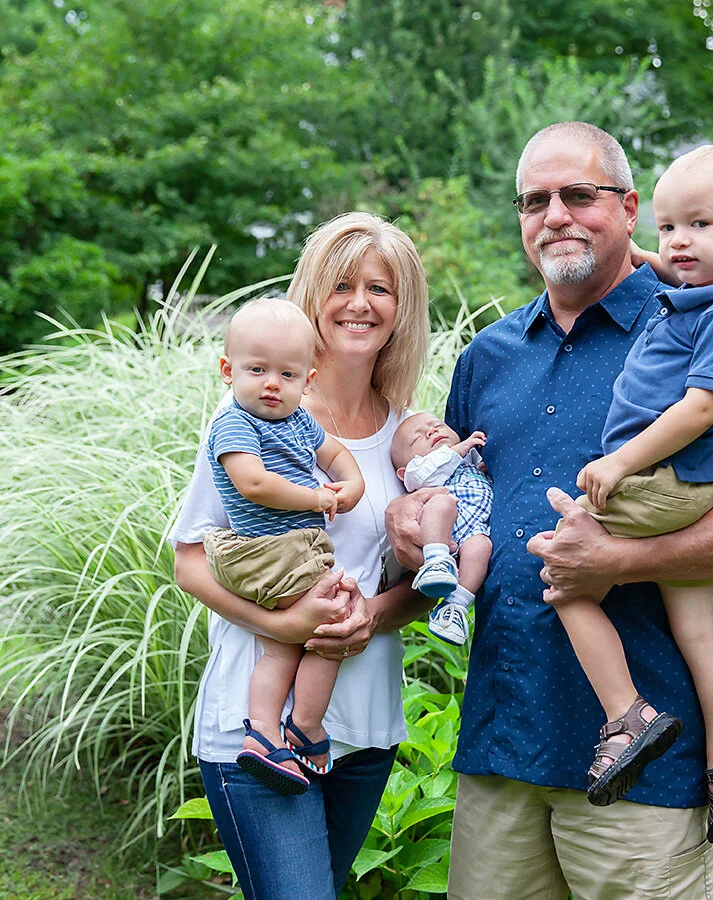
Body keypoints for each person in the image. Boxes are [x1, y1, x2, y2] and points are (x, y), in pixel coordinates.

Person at [386, 122, 713, 900]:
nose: (556, 214)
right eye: (534, 199)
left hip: (647, 771)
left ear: (628, 207)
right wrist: (409, 533)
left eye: (579, 194)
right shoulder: (488, 357)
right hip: (503, 746)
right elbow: (457, 504)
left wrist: (625, 562)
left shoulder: (693, 320)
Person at [170, 212, 433, 900]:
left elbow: (427, 580)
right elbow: (189, 562)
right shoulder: (254, 414)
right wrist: (285, 628)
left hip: (365, 725)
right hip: (254, 727)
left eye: (380, 288)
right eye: (342, 284)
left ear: (402, 309)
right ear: (311, 296)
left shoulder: (411, 435)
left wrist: (372, 616)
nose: (359, 303)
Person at [557, 145, 713, 842]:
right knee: (697, 624)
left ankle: (629, 715)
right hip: (687, 492)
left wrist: (619, 463)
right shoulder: (701, 293)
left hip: (666, 485)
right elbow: (660, 268)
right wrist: (639, 255)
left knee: (563, 566)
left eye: (699, 226)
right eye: (667, 228)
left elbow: (700, 410)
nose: (678, 243)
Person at [202, 297, 365, 793]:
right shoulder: (233, 422)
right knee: (331, 618)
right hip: (262, 551)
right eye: (257, 370)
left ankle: (272, 732)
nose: (272, 383)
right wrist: (316, 496)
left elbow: (333, 452)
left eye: (288, 375)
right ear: (229, 371)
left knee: (290, 642)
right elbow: (252, 483)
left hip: (288, 549)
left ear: (307, 380)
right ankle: (290, 728)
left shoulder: (295, 420)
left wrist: (349, 484)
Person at [390, 412, 492, 645]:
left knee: (482, 546)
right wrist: (463, 447)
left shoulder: (468, 462)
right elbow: (432, 468)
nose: (432, 431)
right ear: (403, 473)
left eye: (437, 425)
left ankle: (454, 606)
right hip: (442, 529)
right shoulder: (419, 472)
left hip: (471, 532)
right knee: (442, 502)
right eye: (418, 438)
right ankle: (436, 562)